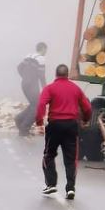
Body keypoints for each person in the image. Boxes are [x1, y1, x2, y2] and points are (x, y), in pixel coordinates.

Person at [36, 63, 92, 199]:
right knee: (71, 158)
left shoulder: (50, 88)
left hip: (54, 126)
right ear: (67, 75)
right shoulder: (75, 89)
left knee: (49, 155)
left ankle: (51, 184)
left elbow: (41, 104)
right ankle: (70, 188)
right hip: (71, 126)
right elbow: (87, 107)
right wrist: (86, 119)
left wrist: (39, 122)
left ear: (56, 74)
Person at [14, 42, 47, 137]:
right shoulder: (41, 59)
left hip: (24, 84)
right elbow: (42, 76)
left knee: (34, 105)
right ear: (43, 49)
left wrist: (24, 77)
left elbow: (19, 67)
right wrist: (45, 90)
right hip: (32, 86)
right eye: (46, 50)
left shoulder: (28, 56)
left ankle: (19, 119)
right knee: (38, 107)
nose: (46, 52)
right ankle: (24, 129)